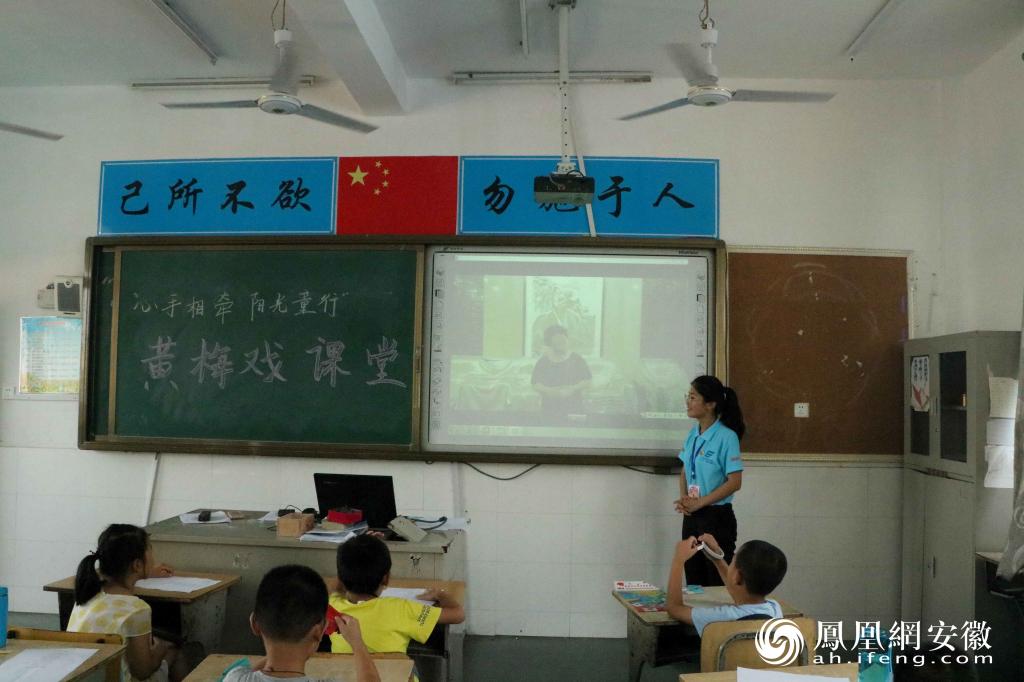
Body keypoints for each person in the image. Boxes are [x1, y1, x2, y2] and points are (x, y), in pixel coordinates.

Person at [223, 564, 380, 682]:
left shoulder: (234, 677)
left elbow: (253, 672)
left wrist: (279, 650)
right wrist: (358, 644)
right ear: (319, 631)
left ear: (254, 624)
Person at [69, 524, 182, 682]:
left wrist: (146, 572)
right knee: (175, 651)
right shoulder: (137, 609)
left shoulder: (87, 592)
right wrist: (161, 647)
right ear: (137, 565)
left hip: (84, 677)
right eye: (150, 549)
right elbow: (142, 672)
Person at [324, 534, 464, 657]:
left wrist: (359, 550)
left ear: (341, 577)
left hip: (346, 675)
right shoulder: (401, 609)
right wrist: (440, 594)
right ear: (386, 579)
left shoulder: (331, 606)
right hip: (393, 675)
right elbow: (458, 614)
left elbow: (335, 587)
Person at [675, 375, 745, 586]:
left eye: (693, 397)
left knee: (716, 582)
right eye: (688, 396)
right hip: (692, 516)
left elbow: (735, 482)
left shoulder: (727, 437)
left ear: (710, 404)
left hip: (717, 517)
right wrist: (685, 499)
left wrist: (700, 503)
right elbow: (685, 470)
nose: (688, 402)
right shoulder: (693, 433)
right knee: (694, 582)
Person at [665, 534, 787, 636]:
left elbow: (674, 608)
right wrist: (717, 558)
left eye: (733, 560)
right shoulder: (774, 608)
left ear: (737, 576)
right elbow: (738, 586)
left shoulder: (721, 617)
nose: (731, 564)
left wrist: (678, 560)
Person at [530, 324, 592, 416]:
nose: (562, 344)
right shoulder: (543, 362)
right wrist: (549, 391)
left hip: (574, 407)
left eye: (563, 341)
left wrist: (573, 388)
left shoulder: (577, 359)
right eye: (557, 342)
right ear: (550, 343)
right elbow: (535, 383)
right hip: (549, 409)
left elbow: (588, 381)